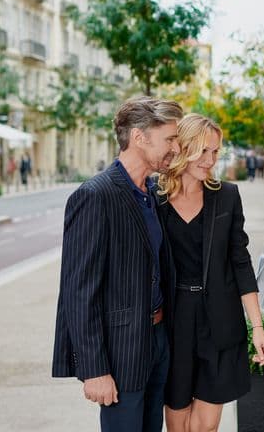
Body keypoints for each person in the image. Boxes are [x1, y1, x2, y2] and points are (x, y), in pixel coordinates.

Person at [52, 96, 184, 432]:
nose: (176, 148)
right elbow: (78, 292)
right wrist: (95, 369)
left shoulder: (152, 193)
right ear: (140, 137)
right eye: (169, 139)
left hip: (157, 341)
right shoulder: (95, 196)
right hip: (121, 351)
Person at [157, 114, 264, 432]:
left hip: (219, 322)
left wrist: (257, 326)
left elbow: (240, 262)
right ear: (184, 148)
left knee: (205, 427)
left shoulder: (227, 196)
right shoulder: (156, 198)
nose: (210, 160)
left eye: (216, 152)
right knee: (178, 424)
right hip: (174, 323)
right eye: (203, 151)